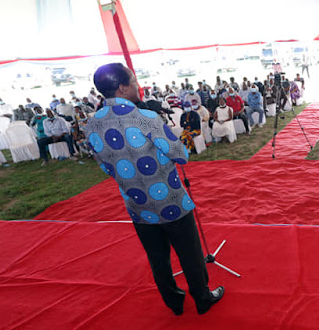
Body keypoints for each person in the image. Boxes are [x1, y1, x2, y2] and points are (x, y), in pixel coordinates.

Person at [85, 63, 224, 315]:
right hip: (171, 202)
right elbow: (181, 155)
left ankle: (174, 302)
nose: (138, 86)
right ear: (123, 87)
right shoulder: (145, 118)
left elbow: (106, 168)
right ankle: (202, 299)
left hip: (136, 204)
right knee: (190, 254)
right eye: (134, 81)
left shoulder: (92, 125)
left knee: (157, 258)